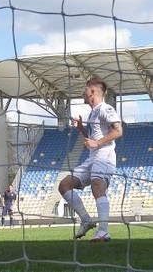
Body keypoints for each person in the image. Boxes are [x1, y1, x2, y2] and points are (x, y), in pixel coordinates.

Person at [57, 77, 122, 243]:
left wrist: (97, 143)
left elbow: (118, 131)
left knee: (97, 185)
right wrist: (81, 128)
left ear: (92, 91)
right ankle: (86, 220)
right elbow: (93, 138)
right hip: (93, 156)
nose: (83, 92)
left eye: (85, 89)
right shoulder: (92, 112)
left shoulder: (105, 108)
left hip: (105, 154)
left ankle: (103, 232)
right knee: (64, 185)